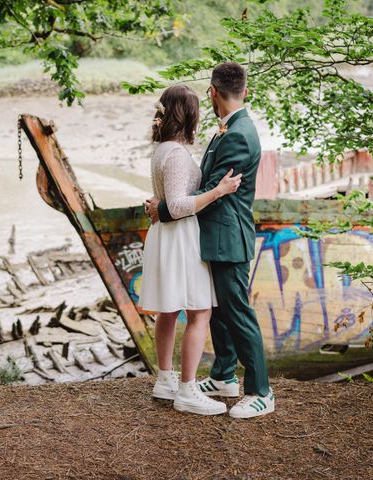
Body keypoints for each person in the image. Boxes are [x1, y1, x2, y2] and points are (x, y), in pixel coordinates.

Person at [145, 63, 275, 419]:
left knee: (236, 310)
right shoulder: (228, 128)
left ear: (214, 92)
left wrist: (163, 208)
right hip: (209, 233)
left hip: (227, 235)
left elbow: (207, 190)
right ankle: (222, 376)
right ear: (245, 91)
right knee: (215, 309)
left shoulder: (237, 134)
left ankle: (261, 389)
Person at [138, 84, 242, 416]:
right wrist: (220, 191)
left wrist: (158, 205)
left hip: (164, 234)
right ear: (189, 115)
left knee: (168, 310)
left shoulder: (162, 150)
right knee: (199, 312)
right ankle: (187, 390)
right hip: (180, 235)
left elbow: (167, 200)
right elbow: (180, 204)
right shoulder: (179, 155)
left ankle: (165, 379)